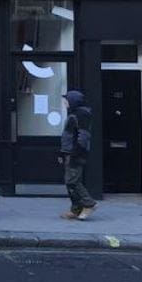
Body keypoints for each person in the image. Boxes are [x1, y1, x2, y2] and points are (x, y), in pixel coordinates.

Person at [59, 90, 97, 220]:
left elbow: (83, 136)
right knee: (69, 181)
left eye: (67, 100)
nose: (65, 103)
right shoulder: (75, 114)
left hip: (75, 153)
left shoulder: (81, 115)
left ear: (73, 101)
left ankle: (89, 204)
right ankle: (75, 209)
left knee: (73, 181)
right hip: (69, 152)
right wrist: (63, 152)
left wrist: (76, 152)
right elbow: (68, 136)